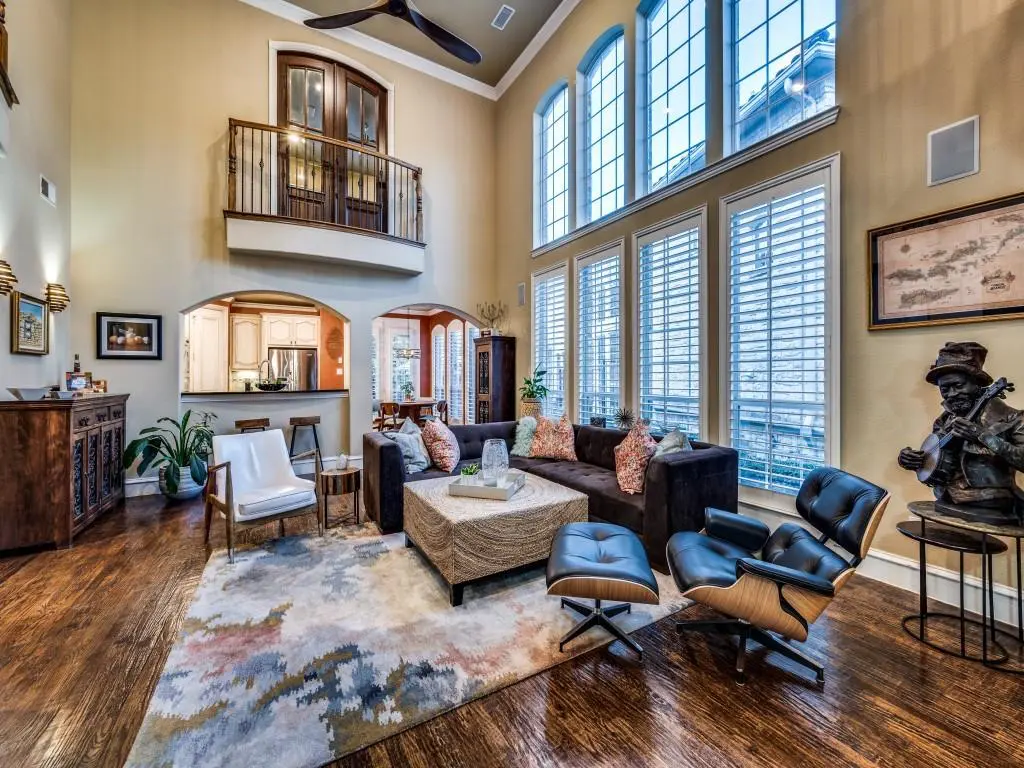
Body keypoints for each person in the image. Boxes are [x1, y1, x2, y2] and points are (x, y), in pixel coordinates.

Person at [898, 341, 1024, 511]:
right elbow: (940, 458)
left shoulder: (1012, 418)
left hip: (990, 504)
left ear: (977, 383)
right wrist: (915, 460)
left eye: (958, 386)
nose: (951, 394)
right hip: (945, 499)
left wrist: (981, 436)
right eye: (945, 389)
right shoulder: (944, 420)